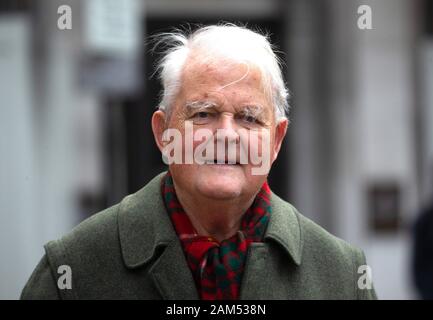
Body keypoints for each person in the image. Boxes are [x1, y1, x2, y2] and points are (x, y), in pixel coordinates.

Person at [21, 24, 377, 300]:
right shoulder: (73, 269)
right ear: (163, 132)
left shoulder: (343, 275)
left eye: (249, 118)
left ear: (276, 140)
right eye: (203, 113)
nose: (226, 134)